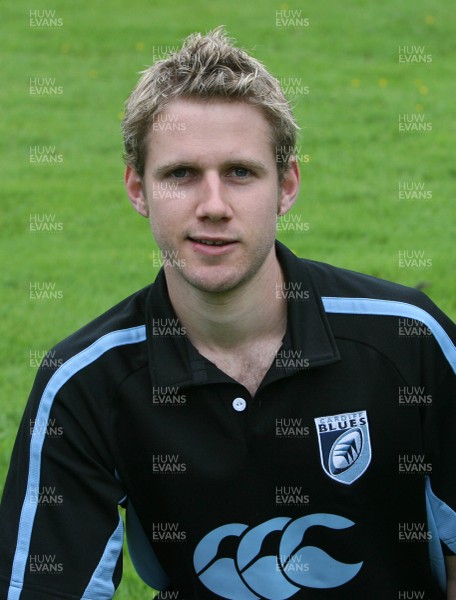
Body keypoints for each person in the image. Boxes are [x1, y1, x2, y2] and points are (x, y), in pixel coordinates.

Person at [1, 26, 455, 600]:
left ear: (286, 185)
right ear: (137, 189)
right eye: (181, 174)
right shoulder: (84, 385)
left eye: (240, 172)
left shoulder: (406, 340)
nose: (213, 206)